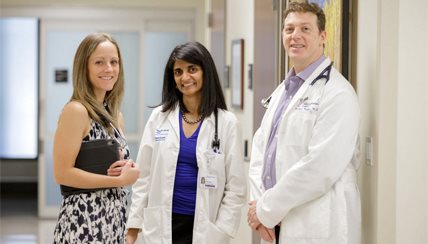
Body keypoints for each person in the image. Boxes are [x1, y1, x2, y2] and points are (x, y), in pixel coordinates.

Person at [247, 1, 361, 244]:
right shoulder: (282, 92)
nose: (295, 36)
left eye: (305, 29)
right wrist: (260, 210)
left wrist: (265, 210)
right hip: (276, 224)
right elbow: (260, 153)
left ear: (322, 36)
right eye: (289, 29)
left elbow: (319, 167)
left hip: (317, 226)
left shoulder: (338, 93)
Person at [126, 41, 247, 243]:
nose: (185, 77)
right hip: (162, 225)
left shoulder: (226, 123)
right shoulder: (159, 117)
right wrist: (132, 229)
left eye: (192, 69)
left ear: (205, 72)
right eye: (178, 72)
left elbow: (236, 189)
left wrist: (220, 231)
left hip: (205, 228)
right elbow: (143, 178)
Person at [52, 33, 140, 243]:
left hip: (112, 221)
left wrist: (130, 168)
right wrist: (118, 181)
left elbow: (111, 166)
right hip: (84, 222)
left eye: (114, 62)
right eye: (99, 62)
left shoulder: (115, 117)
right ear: (85, 68)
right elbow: (62, 174)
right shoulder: (77, 110)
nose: (109, 69)